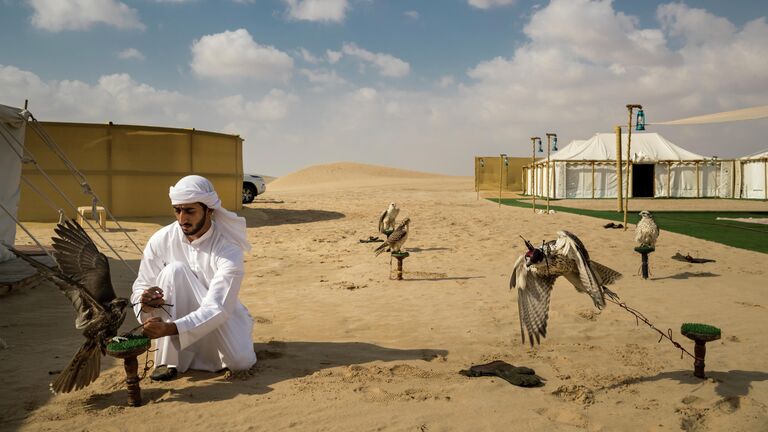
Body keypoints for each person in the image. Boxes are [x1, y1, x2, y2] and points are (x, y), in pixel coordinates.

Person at [131, 175, 257, 381]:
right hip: (172, 322)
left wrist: (170, 328)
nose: (182, 219)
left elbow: (218, 306)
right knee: (174, 271)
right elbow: (142, 284)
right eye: (177, 210)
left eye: (189, 211)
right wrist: (144, 304)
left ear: (209, 210)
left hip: (219, 315)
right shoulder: (161, 239)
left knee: (240, 363)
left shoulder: (227, 247)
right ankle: (167, 360)